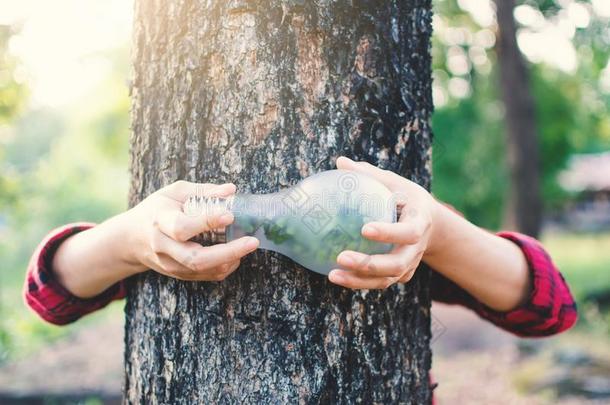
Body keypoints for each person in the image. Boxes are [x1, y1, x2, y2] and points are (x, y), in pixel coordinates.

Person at [24, 155, 577, 338]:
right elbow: (50, 295)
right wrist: (126, 239)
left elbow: (548, 308)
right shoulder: (158, 236)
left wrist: (439, 231)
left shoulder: (396, 231)